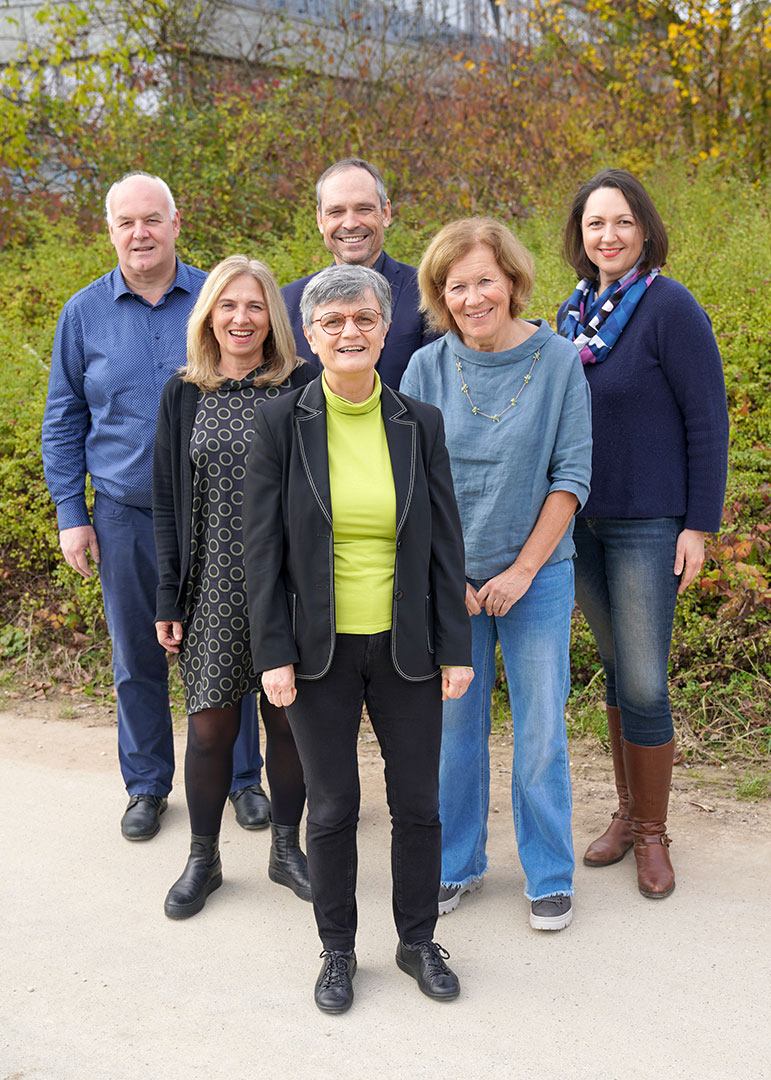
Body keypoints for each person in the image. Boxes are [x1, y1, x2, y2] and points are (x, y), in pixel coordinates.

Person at [244, 265, 473, 1013]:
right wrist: (272, 652)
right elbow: (261, 552)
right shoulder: (281, 423)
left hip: (406, 645)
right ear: (309, 336)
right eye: (333, 322)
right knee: (333, 805)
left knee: (418, 804)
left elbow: (443, 544)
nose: (350, 332)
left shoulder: (419, 422)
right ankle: (336, 949)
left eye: (364, 319)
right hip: (318, 651)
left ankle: (416, 940)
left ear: (384, 330)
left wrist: (457, 646)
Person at [41, 172, 269, 842]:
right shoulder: (83, 313)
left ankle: (242, 779)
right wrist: (70, 512)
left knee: (234, 648)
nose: (138, 234)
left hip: (221, 516)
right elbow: (63, 419)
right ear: (110, 230)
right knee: (137, 654)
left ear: (176, 221)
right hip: (123, 514)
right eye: (125, 223)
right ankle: (146, 785)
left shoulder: (217, 299)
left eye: (151, 219)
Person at [401, 217, 592, 931]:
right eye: (457, 286)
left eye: (485, 279)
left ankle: (547, 873)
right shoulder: (424, 368)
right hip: (449, 578)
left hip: (536, 577)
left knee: (539, 728)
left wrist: (521, 571)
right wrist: (444, 574)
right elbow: (411, 483)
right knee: (454, 728)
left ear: (511, 280)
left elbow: (570, 475)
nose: (473, 297)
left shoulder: (559, 360)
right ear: (439, 296)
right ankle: (455, 864)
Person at [557, 168, 729, 898]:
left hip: (647, 525)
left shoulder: (668, 307)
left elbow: (707, 421)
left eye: (622, 222)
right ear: (580, 236)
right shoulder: (569, 319)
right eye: (596, 224)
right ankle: (627, 814)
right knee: (614, 669)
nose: (609, 235)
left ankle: (655, 836)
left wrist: (698, 524)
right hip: (581, 524)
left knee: (644, 678)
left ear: (644, 229)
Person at [153, 256, 315, 918]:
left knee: (288, 726)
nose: (241, 319)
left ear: (271, 316)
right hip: (211, 585)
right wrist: (168, 595)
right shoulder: (184, 392)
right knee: (211, 729)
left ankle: (285, 849)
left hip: (289, 586)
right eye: (228, 306)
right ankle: (203, 858)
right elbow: (166, 497)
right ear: (209, 315)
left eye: (254, 306)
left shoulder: (302, 384)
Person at [282, 157, 435, 387]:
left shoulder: (427, 294)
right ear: (320, 219)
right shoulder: (286, 304)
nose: (351, 223)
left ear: (385, 213)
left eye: (364, 209)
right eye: (336, 212)